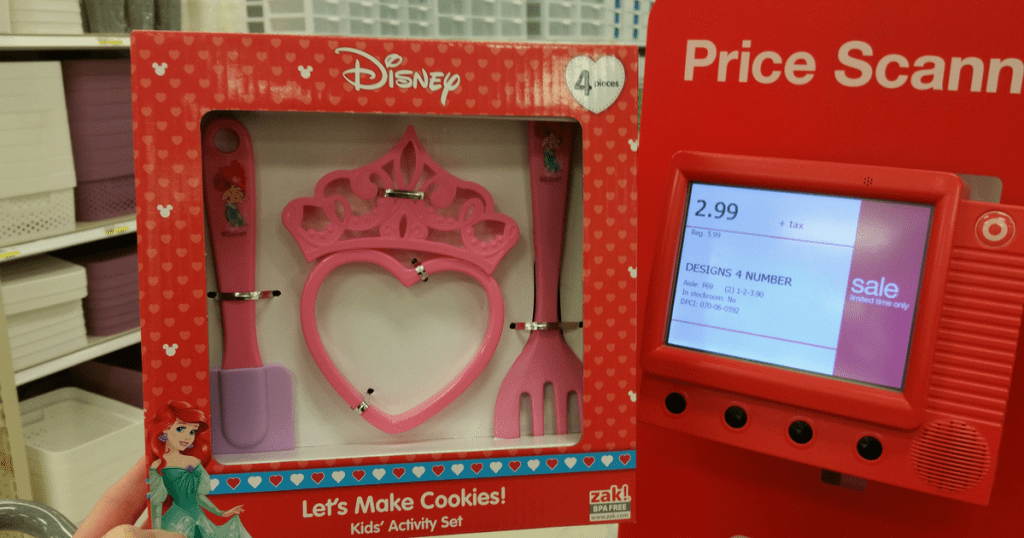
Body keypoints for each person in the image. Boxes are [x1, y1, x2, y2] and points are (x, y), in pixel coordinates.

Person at [145, 401, 250, 538]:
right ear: (164, 429)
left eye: (192, 431)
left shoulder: (194, 462)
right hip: (177, 521)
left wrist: (221, 513)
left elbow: (198, 496)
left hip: (199, 518)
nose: (187, 436)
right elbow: (156, 505)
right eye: (180, 429)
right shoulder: (158, 465)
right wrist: (157, 532)